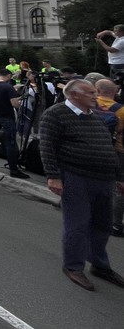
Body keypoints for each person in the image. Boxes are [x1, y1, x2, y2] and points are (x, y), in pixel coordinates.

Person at [39, 79, 124, 291]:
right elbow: (47, 146)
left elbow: (108, 147)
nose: (95, 96)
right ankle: (73, 266)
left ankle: (100, 265)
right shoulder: (55, 114)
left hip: (103, 179)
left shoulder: (95, 117)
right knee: (78, 224)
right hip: (76, 176)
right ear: (74, 95)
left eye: (95, 92)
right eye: (90, 93)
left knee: (103, 224)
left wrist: (119, 176)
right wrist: (53, 176)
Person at [0, 69, 29, 179]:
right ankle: (14, 169)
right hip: (7, 117)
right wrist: (20, 99)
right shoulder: (8, 87)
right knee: (10, 143)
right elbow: (15, 105)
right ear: (8, 76)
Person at [94, 78, 124, 237]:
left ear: (97, 90)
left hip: (90, 149)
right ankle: (116, 224)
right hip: (116, 150)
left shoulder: (89, 104)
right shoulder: (121, 109)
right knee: (119, 186)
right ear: (115, 92)